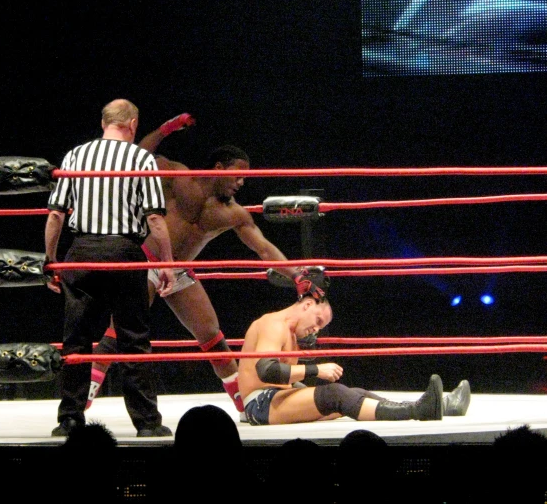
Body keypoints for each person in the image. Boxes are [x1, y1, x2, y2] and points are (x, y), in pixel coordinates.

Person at [88, 114, 316, 415]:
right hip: (148, 260)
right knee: (119, 331)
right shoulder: (181, 178)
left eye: (244, 177)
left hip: (180, 270)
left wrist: (299, 274)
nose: (241, 182)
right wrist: (165, 129)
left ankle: (243, 402)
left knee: (213, 336)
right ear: (218, 168)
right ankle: (84, 397)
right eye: (236, 174)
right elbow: (139, 159)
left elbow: (264, 248)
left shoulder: (233, 213)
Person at [45, 98, 176, 438]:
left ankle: (70, 418)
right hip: (123, 251)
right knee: (134, 337)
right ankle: (146, 423)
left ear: (104, 123)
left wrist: (51, 259)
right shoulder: (141, 157)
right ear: (132, 124)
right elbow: (155, 218)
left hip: (82, 251)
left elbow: (57, 213)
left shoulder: (75, 155)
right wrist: (167, 263)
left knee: (76, 339)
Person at [237, 271, 472, 425]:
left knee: (355, 394)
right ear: (308, 305)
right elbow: (266, 370)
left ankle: (441, 405)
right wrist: (315, 371)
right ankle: (420, 412)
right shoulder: (273, 323)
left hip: (276, 398)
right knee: (335, 393)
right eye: (317, 322)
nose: (316, 331)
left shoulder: (292, 334)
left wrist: (305, 381)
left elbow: (281, 378)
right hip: (259, 405)